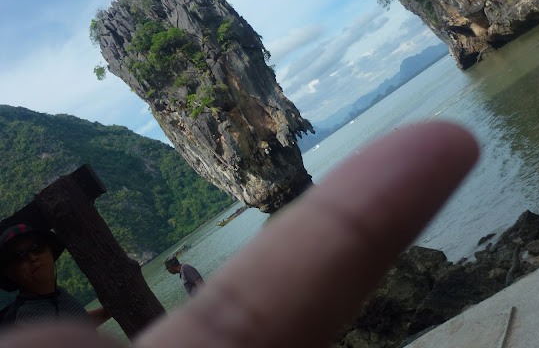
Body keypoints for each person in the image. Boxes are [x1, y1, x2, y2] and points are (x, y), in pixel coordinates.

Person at [0, 121, 478, 348]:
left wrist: (124, 294)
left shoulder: (58, 300)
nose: (31, 261)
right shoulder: (22, 322)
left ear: (50, 250)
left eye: (35, 249)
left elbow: (80, 327)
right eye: (18, 258)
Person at [0, 224, 110, 327]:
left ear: (50, 252)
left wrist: (109, 311)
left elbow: (77, 325)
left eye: (37, 248)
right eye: (20, 256)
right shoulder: (20, 321)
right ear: (9, 272)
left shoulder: (59, 295)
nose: (32, 257)